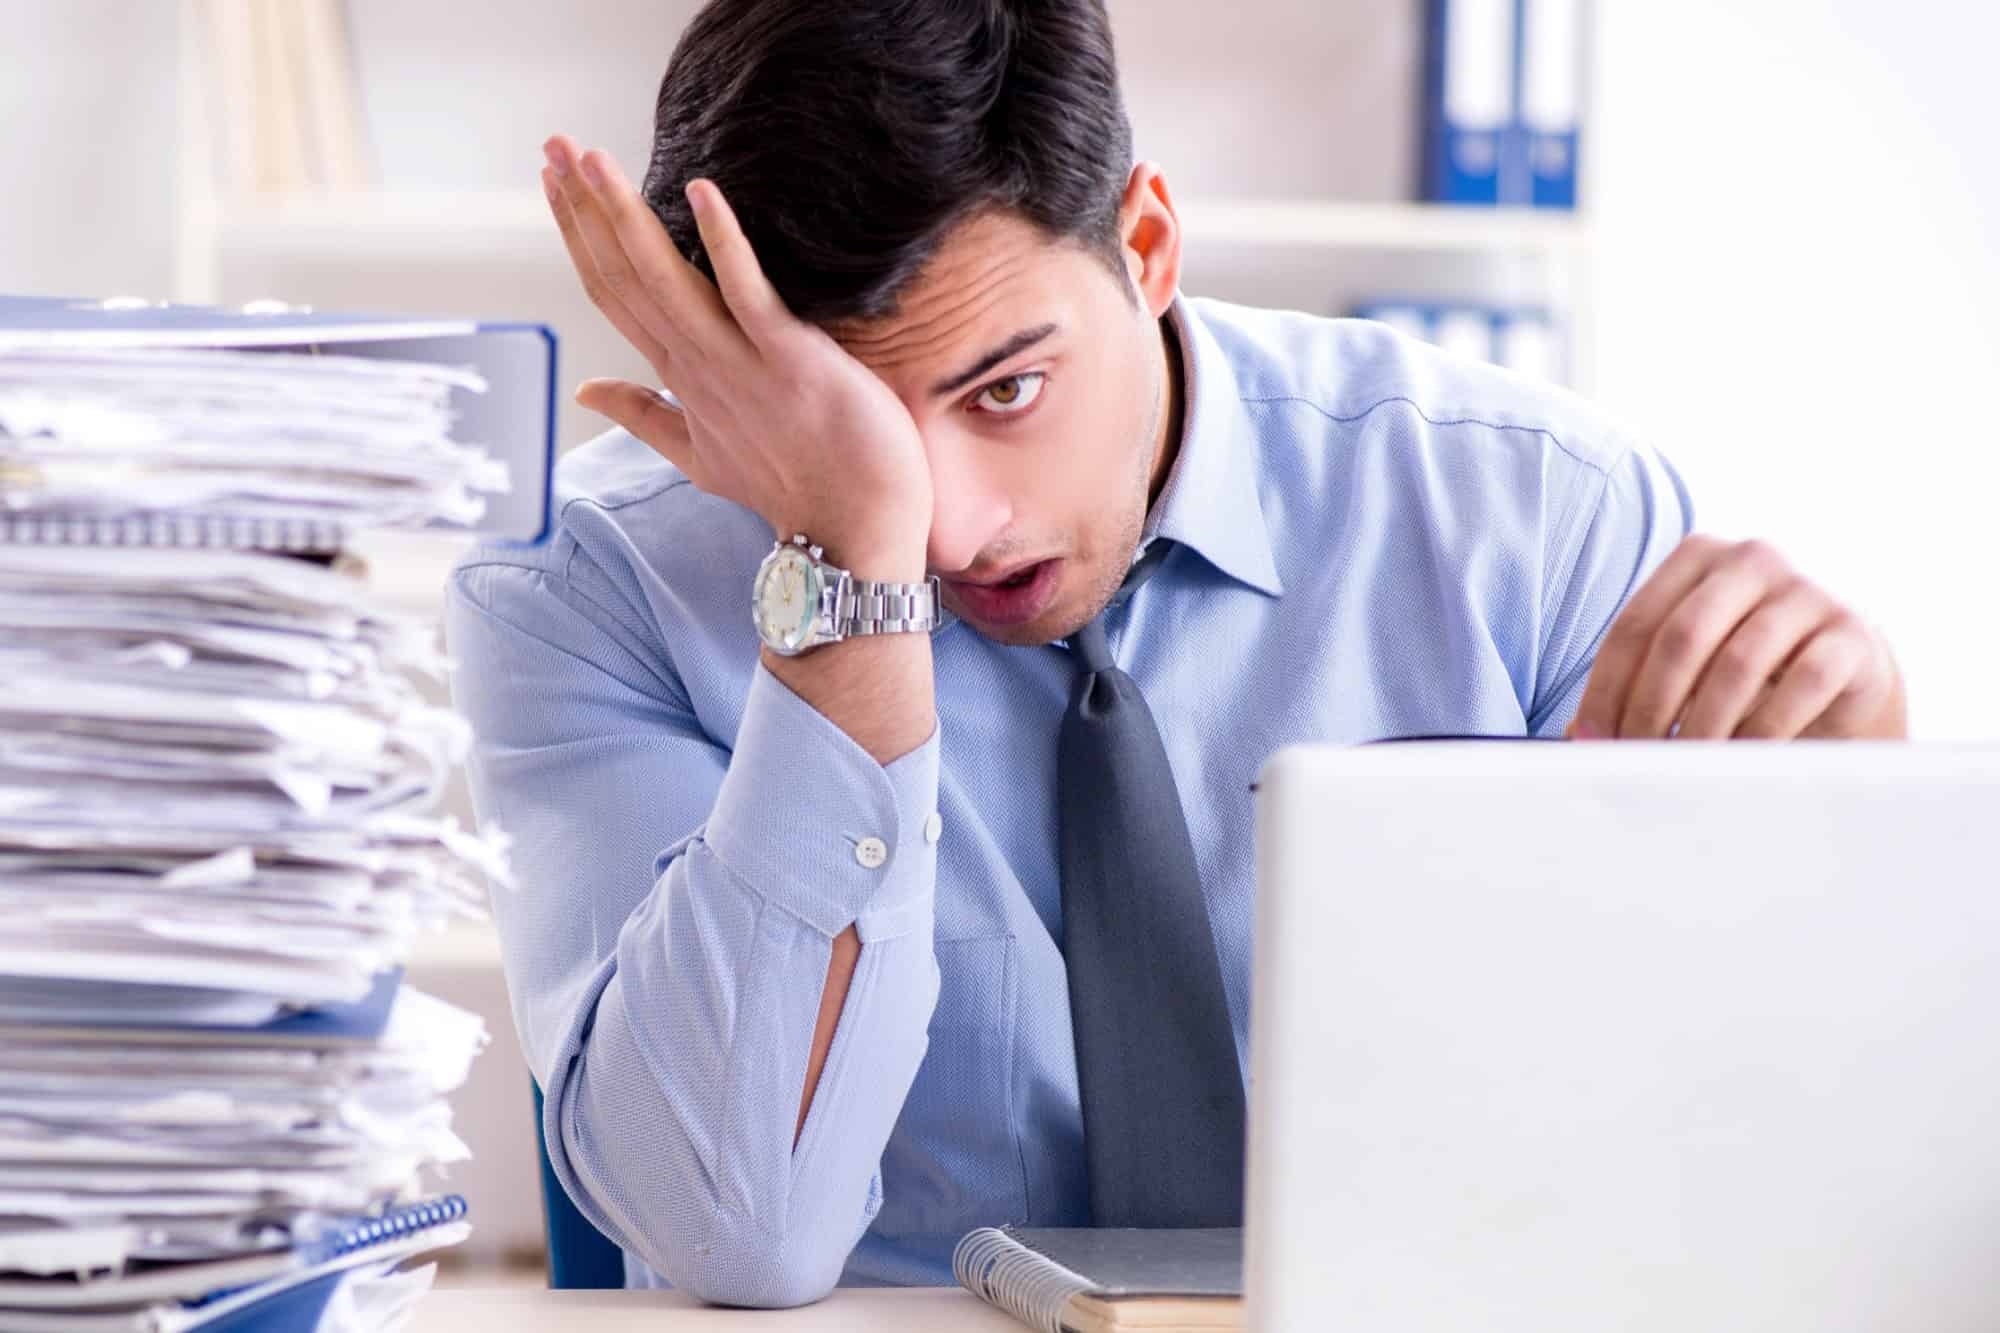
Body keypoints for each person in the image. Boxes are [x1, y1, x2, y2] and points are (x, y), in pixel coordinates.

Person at [445, 0, 1907, 1308]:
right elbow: (733, 1230)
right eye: (856, 432)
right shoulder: (585, 589)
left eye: (1006, 388)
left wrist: (1842, 833)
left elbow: (1767, 1149)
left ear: (1146, 244)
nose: (954, 524)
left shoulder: (1533, 519)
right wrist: (843, 575)